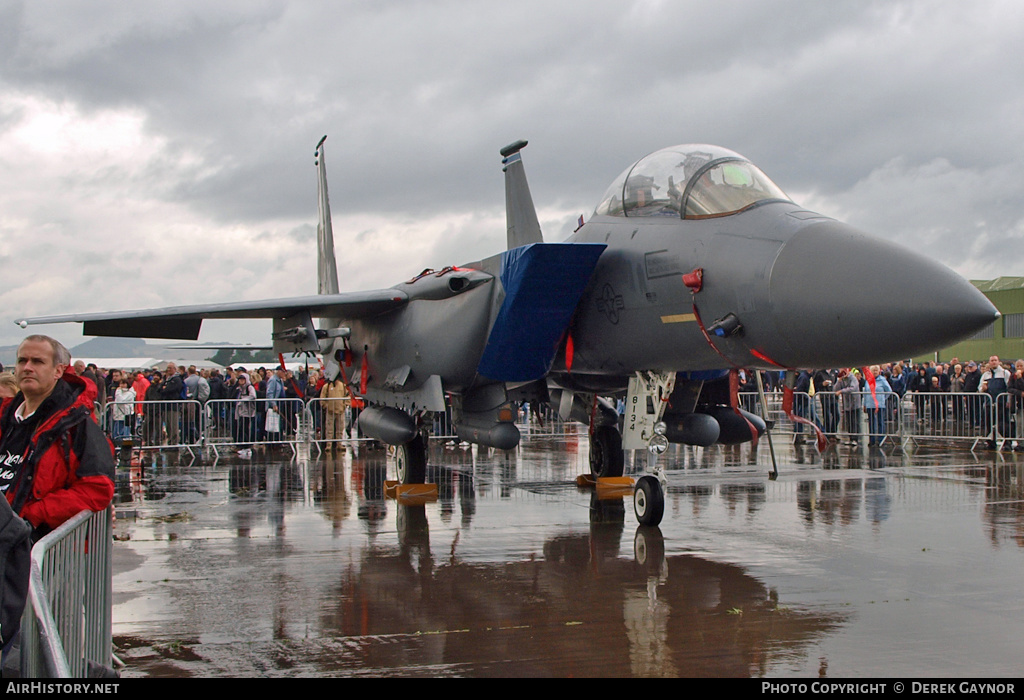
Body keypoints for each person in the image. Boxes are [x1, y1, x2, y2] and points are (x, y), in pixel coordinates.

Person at [0, 335, 115, 540]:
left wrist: (33, 514)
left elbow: (97, 489)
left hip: (35, 548)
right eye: (22, 361)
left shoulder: (77, 424)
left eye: (38, 361)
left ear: (58, 371)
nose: (27, 367)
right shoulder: (6, 416)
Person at [319, 377, 349, 451]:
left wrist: (345, 405)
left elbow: (347, 396)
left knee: (340, 428)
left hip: (340, 411)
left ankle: (339, 444)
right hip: (330, 411)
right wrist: (326, 406)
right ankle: (328, 445)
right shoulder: (327, 386)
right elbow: (322, 397)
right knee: (329, 429)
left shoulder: (343, 386)